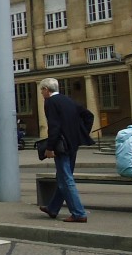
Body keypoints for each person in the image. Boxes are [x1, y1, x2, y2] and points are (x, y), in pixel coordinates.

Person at [38, 77, 94, 222]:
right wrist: (82, 133)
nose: (41, 93)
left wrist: (50, 147)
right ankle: (53, 208)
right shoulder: (68, 100)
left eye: (41, 90)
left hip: (61, 146)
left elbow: (54, 126)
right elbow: (89, 116)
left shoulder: (50, 102)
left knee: (66, 179)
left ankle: (79, 213)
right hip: (73, 144)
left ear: (46, 89)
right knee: (62, 178)